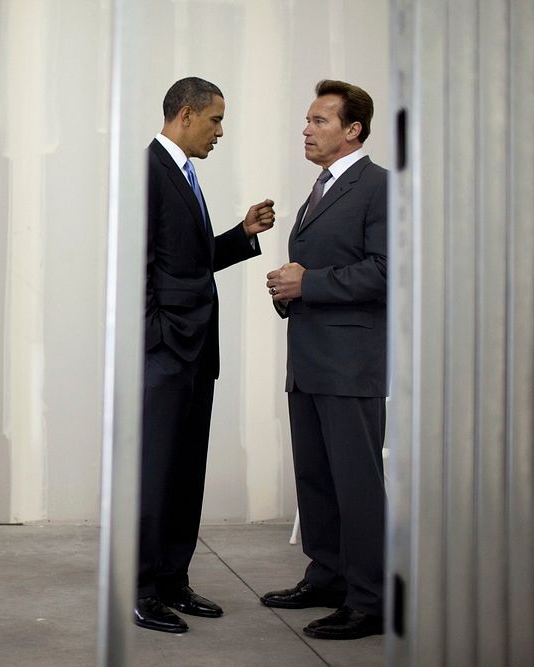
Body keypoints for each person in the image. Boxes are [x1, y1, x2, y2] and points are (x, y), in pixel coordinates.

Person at [136, 77, 276, 634]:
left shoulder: (184, 175)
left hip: (195, 352)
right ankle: (142, 588)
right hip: (167, 352)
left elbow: (185, 264)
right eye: (216, 120)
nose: (221, 132)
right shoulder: (148, 171)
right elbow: (136, 266)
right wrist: (156, 338)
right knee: (154, 474)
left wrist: (241, 235)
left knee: (185, 472)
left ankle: (173, 579)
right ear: (188, 114)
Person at [262, 79, 388, 640]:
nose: (307, 129)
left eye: (319, 121)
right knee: (315, 477)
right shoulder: (321, 186)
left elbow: (389, 271)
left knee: (356, 481)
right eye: (307, 120)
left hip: (350, 361)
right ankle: (327, 575)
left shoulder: (379, 187)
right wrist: (291, 290)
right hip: (310, 357)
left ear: (352, 129)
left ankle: (370, 599)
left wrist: (309, 283)